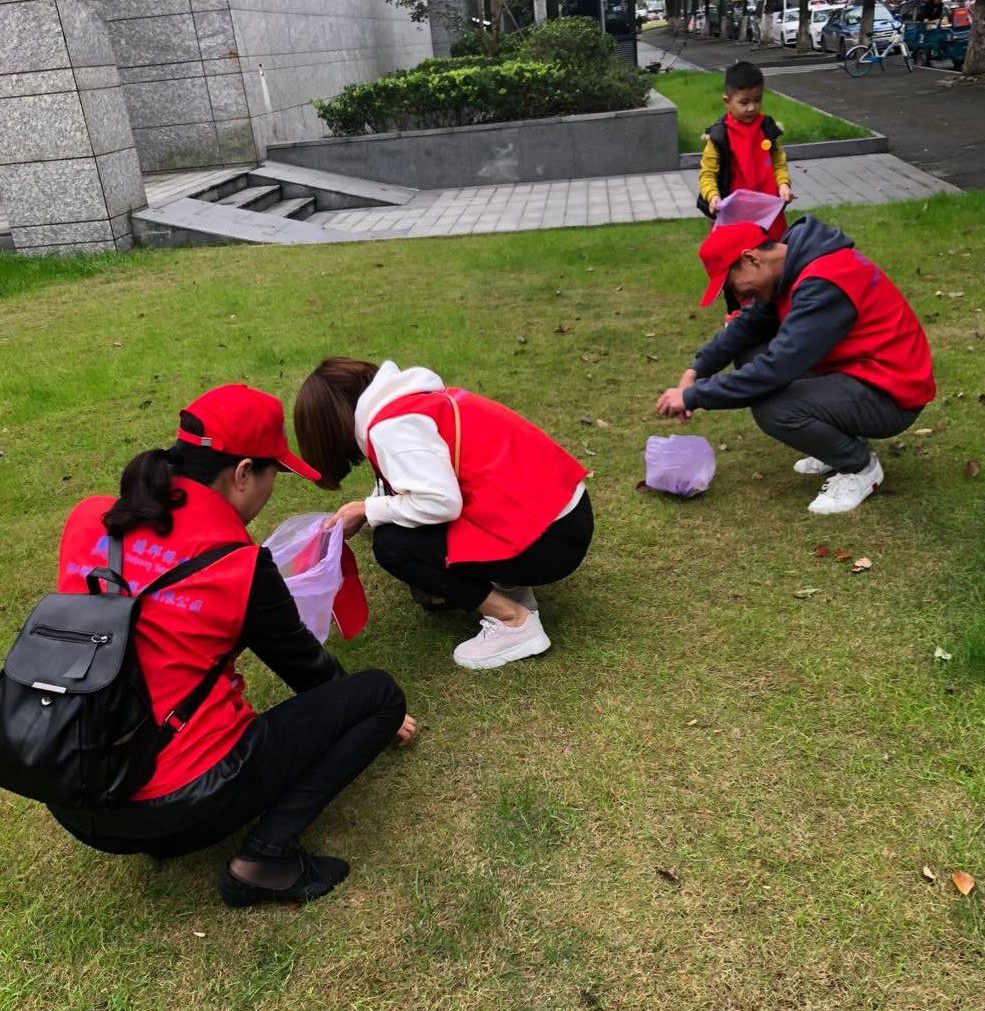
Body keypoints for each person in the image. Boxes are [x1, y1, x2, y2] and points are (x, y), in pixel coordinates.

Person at [50, 384, 414, 906]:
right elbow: (308, 670)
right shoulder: (238, 565)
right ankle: (264, 859)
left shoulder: (90, 519)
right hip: (179, 800)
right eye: (273, 475)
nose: (270, 491)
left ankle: (162, 824)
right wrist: (373, 715)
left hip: (73, 789)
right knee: (379, 695)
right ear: (242, 473)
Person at [293, 359, 594, 670]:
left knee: (394, 545)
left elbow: (440, 503)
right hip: (564, 515)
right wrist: (370, 509)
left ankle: (513, 622)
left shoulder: (390, 429)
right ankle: (510, 586)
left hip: (550, 540)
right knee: (399, 526)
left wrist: (369, 510)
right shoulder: (410, 400)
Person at [656, 217, 936, 515]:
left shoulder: (823, 281)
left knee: (773, 408)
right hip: (861, 373)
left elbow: (775, 369)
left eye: (733, 286)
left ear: (751, 259)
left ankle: (860, 468)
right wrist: (695, 371)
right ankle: (834, 443)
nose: (738, 297)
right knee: (750, 352)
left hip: (893, 394)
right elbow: (748, 326)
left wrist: (693, 396)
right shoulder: (792, 262)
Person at [697, 61, 794, 235]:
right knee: (739, 251)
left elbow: (779, 163)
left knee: (773, 250)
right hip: (735, 215)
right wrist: (713, 196)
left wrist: (783, 184)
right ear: (727, 101)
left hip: (770, 215)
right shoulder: (720, 136)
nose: (752, 108)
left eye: (757, 100)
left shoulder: (767, 128)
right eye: (744, 102)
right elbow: (707, 173)